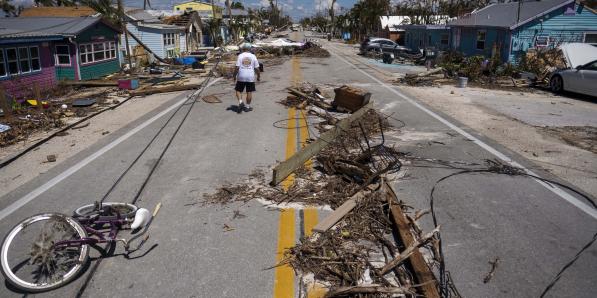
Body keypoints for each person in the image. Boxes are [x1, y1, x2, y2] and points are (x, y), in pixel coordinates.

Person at [233, 43, 260, 113]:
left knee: (238, 90)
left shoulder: (240, 56)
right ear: (250, 49)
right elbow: (257, 68)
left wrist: (234, 75)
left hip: (241, 76)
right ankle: (247, 107)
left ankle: (240, 102)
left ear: (243, 49)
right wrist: (258, 76)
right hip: (250, 76)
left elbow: (237, 67)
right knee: (249, 92)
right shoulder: (253, 56)